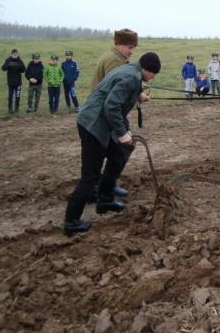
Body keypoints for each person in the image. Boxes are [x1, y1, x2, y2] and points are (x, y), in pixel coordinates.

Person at [62, 52, 161, 236]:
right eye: (153, 74)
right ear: (148, 70)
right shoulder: (131, 77)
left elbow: (119, 97)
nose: (153, 78)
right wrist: (122, 132)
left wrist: (136, 98)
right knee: (90, 176)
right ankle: (71, 221)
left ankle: (105, 199)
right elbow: (112, 106)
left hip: (100, 121)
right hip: (93, 125)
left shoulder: (131, 71)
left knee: (119, 154)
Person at [91, 28, 139, 197]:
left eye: (133, 47)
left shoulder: (115, 58)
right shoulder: (114, 61)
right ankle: (106, 185)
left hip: (104, 111)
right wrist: (138, 94)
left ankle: (103, 184)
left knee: (107, 150)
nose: (132, 52)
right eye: (130, 47)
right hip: (104, 113)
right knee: (121, 147)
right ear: (119, 44)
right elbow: (116, 91)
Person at [1, 48, 26, 114]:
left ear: (18, 54)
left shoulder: (20, 61)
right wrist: (8, 64)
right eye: (14, 54)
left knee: (17, 96)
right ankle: (10, 109)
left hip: (18, 83)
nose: (15, 55)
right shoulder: (8, 60)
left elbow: (24, 69)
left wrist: (19, 66)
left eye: (16, 54)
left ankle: (16, 109)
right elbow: (3, 68)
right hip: (11, 83)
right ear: (11, 54)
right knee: (10, 96)